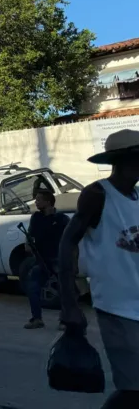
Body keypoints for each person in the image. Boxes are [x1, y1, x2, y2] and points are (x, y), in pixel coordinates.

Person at [58, 129, 139, 408]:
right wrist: (69, 303)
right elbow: (67, 242)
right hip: (118, 309)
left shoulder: (137, 196)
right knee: (133, 390)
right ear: (124, 160)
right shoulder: (98, 194)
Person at [23, 188, 69, 329]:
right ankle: (37, 319)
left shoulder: (61, 219)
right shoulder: (36, 217)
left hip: (57, 259)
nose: (36, 202)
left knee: (64, 291)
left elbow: (69, 240)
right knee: (33, 287)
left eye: (39, 200)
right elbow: (30, 233)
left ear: (48, 202)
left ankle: (65, 321)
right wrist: (27, 243)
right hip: (42, 260)